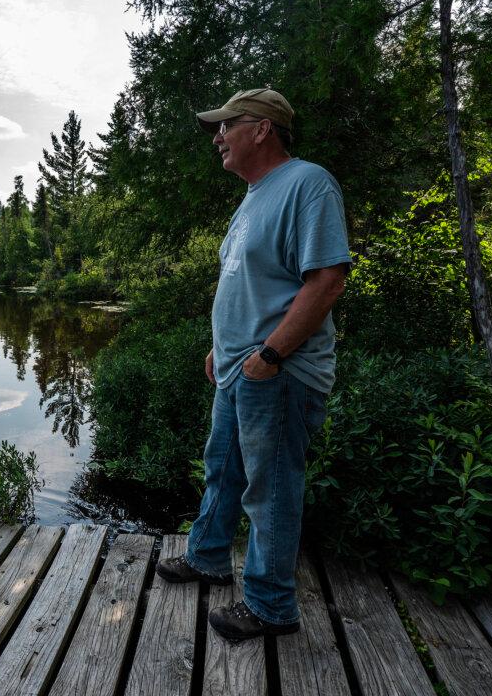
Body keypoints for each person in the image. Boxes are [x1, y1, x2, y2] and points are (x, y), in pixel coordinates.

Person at [154, 87, 351, 641]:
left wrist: (269, 354)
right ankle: (208, 558)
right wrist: (225, 344)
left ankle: (270, 607)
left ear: (262, 128)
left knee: (271, 489)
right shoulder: (253, 196)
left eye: (227, 125)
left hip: (278, 372)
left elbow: (327, 280)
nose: (217, 136)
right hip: (239, 368)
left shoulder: (308, 184)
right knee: (223, 468)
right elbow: (250, 282)